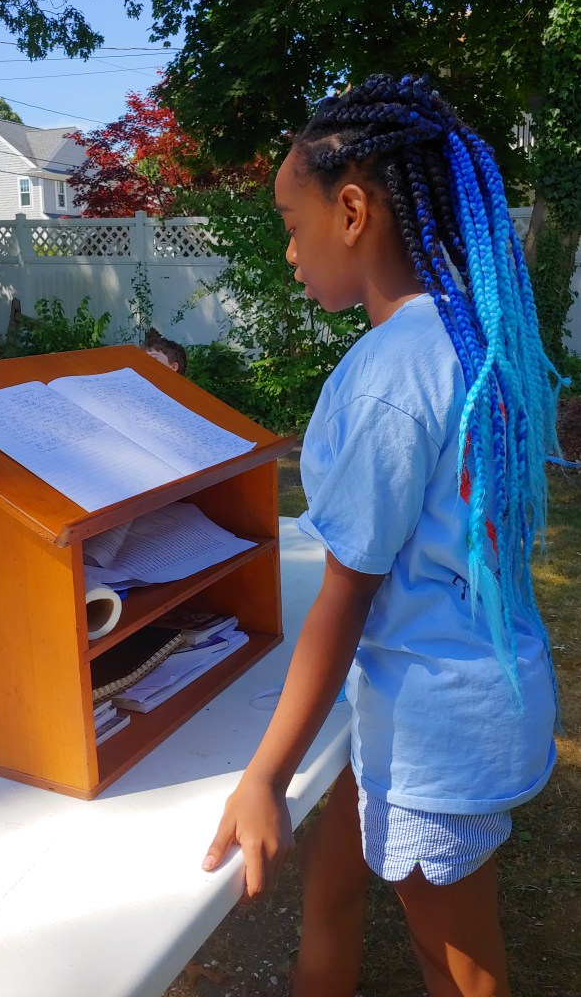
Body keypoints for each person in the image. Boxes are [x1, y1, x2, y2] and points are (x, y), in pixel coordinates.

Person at [201, 73, 565, 997]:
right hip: (470, 692)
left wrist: (265, 775)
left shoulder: (388, 375)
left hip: (434, 730)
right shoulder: (471, 337)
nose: (290, 252)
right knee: (335, 878)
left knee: (459, 969)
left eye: (293, 224)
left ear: (353, 212)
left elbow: (344, 597)